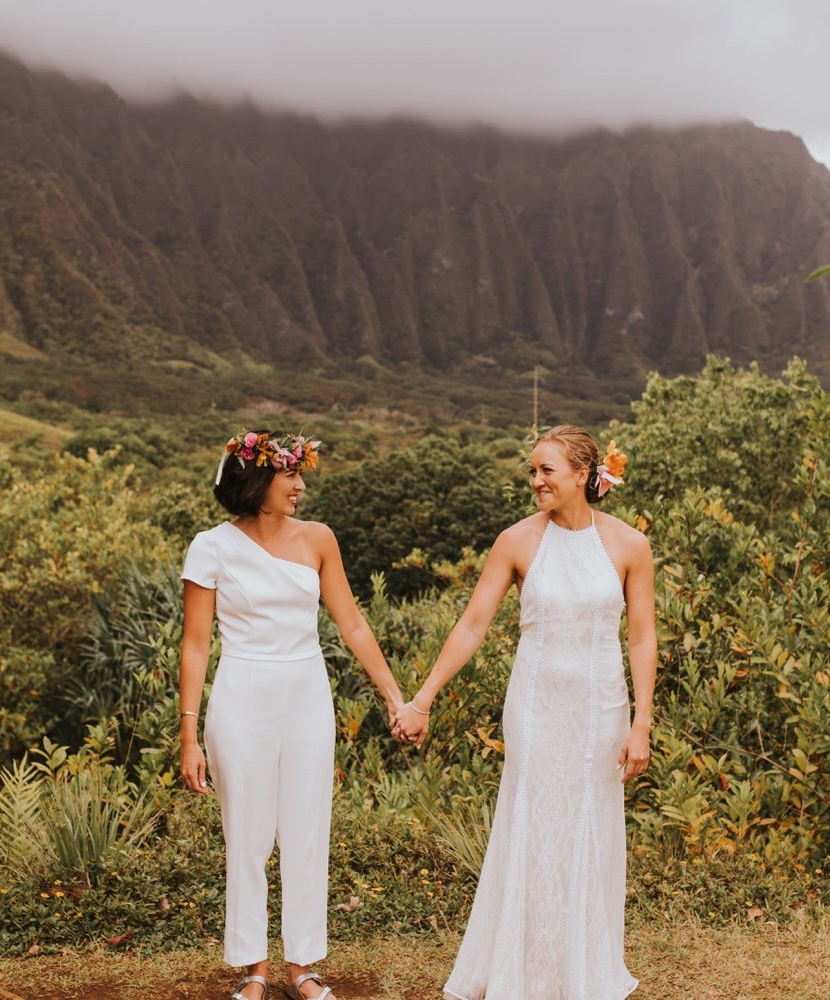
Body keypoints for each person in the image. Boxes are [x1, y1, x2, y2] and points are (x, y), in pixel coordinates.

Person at [393, 424, 655, 999]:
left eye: (546, 471)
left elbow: (641, 638)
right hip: (535, 705)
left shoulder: (629, 545)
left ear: (583, 476)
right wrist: (423, 697)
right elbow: (472, 625)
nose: (535, 481)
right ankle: (524, 968)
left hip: (600, 708)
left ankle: (581, 969)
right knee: (532, 825)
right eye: (532, 471)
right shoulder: (515, 541)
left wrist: (642, 721)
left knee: (588, 826)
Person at [179, 430, 409, 1000]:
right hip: (241, 692)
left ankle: (301, 967)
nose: (301, 486)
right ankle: (253, 970)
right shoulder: (210, 547)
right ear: (258, 480)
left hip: (306, 691)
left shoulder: (319, 539)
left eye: (300, 475)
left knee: (307, 830)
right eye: (291, 476)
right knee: (248, 834)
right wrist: (188, 734)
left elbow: (351, 622)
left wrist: (392, 694)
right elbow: (195, 645)